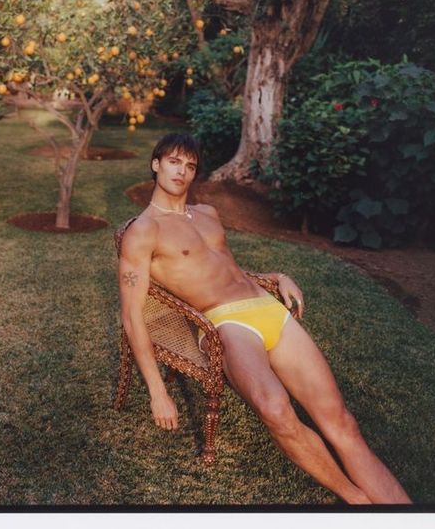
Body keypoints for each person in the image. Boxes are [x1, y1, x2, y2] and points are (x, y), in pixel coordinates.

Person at [117, 133, 411, 505]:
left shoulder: (207, 214)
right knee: (275, 409)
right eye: (174, 161)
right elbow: (131, 315)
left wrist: (272, 277)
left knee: (342, 422)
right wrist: (158, 392)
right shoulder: (143, 232)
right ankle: (355, 498)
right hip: (227, 323)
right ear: (156, 164)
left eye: (190, 165)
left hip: (266, 308)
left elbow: (224, 269)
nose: (182, 171)